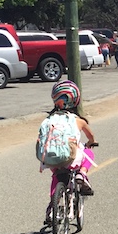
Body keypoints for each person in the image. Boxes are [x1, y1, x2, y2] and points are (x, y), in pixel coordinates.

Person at [40, 80, 96, 223]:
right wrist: (90, 143)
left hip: (52, 158)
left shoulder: (49, 119)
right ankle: (82, 174)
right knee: (88, 154)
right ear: (75, 100)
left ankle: (53, 205)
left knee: (57, 177)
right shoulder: (79, 120)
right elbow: (91, 137)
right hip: (71, 157)